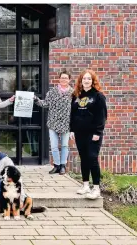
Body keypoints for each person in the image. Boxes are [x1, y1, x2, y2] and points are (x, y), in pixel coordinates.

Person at [70, 69, 107, 200]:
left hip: (93, 134)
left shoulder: (98, 96)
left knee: (92, 158)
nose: (86, 81)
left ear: (93, 81)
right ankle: (85, 185)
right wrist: (71, 130)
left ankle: (96, 188)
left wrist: (98, 132)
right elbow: (72, 114)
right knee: (84, 158)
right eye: (84, 78)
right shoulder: (76, 95)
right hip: (80, 133)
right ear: (81, 81)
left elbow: (102, 116)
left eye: (89, 79)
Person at [34, 70, 73, 175]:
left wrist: (74, 127)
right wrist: (36, 100)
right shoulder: (52, 92)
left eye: (66, 78)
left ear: (69, 80)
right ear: (59, 79)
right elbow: (45, 104)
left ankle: (63, 166)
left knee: (65, 145)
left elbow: (76, 110)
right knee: (54, 146)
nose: (64, 79)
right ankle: (56, 165)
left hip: (67, 123)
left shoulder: (73, 93)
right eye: (62, 78)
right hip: (53, 122)